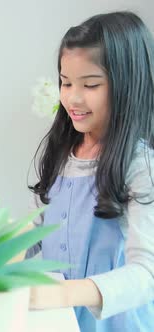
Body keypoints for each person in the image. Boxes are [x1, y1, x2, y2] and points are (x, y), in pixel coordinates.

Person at [27, 11, 154, 331]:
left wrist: (64, 293)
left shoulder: (141, 167)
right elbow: (35, 228)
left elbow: (147, 273)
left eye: (91, 84)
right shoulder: (62, 154)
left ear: (127, 84)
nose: (73, 97)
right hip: (61, 322)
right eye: (65, 82)